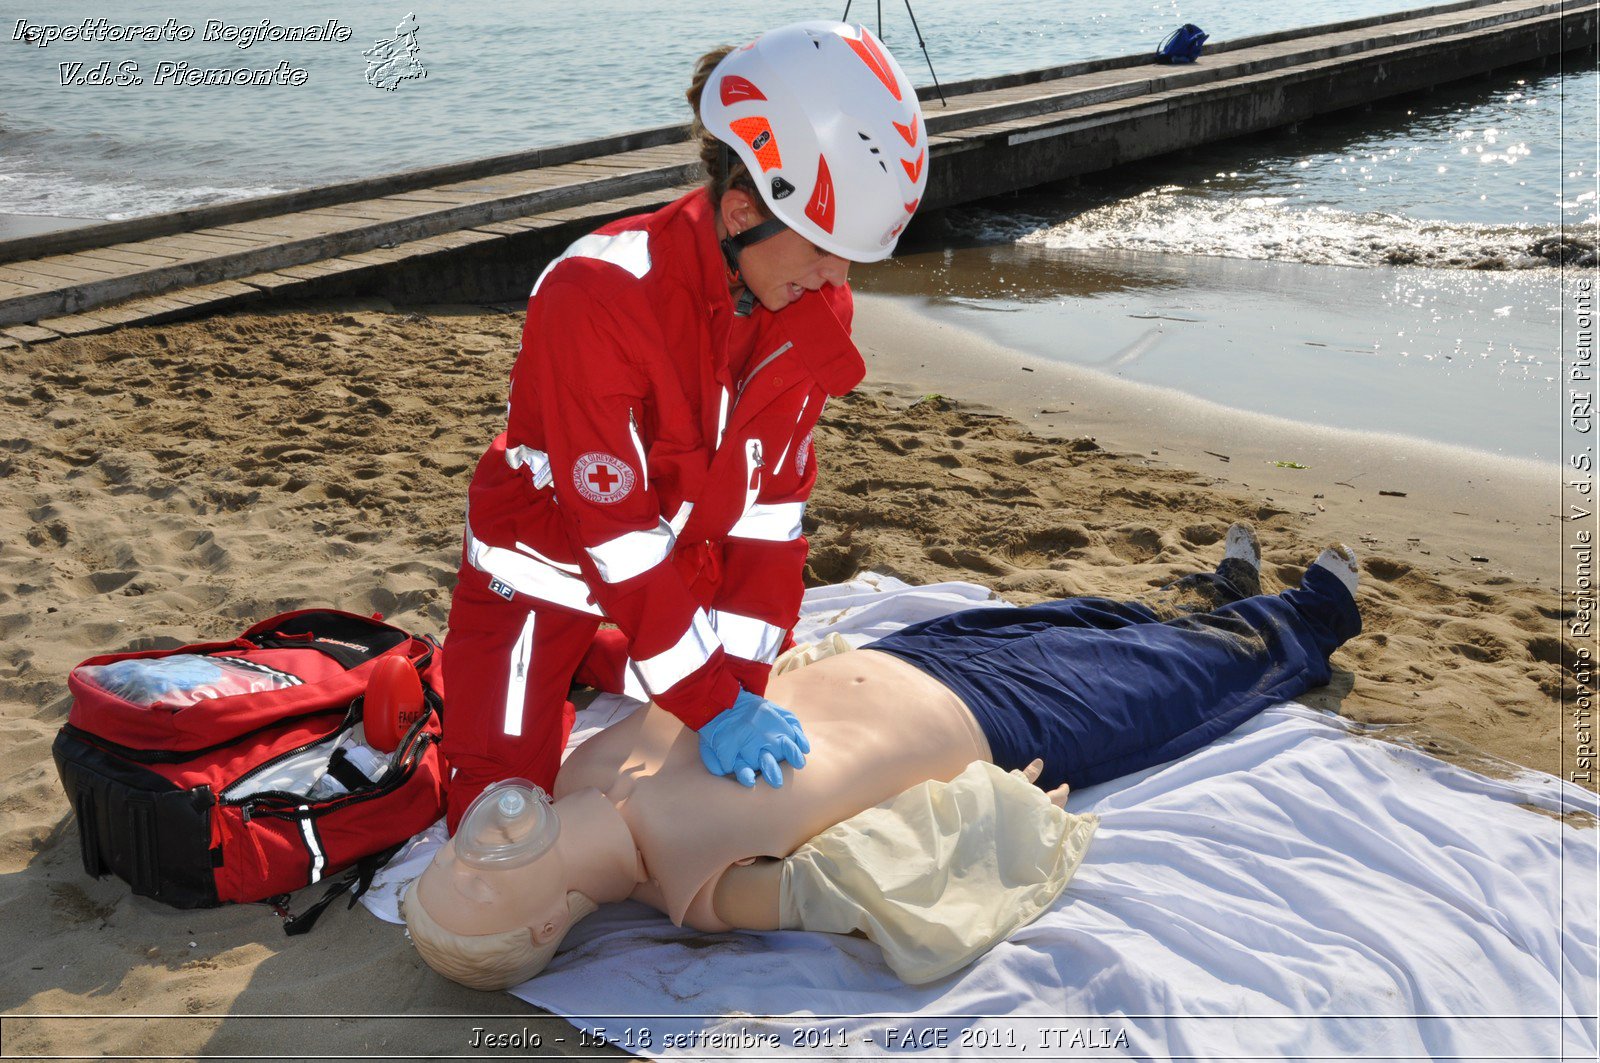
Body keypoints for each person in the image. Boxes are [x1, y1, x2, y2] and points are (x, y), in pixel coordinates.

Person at [403, 529, 1364, 987]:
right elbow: (880, 883)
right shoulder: (702, 893)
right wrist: (1001, 812)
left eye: (453, 857)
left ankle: (1221, 589)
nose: (478, 846)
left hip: (894, 659)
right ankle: (1318, 610)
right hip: (991, 720)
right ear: (542, 933)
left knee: (1088, 621)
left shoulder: (575, 772)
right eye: (477, 880)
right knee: (1187, 678)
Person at [441, 21, 931, 830]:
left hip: (670, 571)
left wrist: (740, 687)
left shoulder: (808, 302)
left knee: (709, 795)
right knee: (495, 820)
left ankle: (612, 663)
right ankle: (550, 672)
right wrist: (708, 704)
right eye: (822, 252)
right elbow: (614, 531)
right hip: (543, 568)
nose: (837, 281)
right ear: (742, 212)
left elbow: (772, 519)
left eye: (851, 260)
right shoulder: (597, 297)